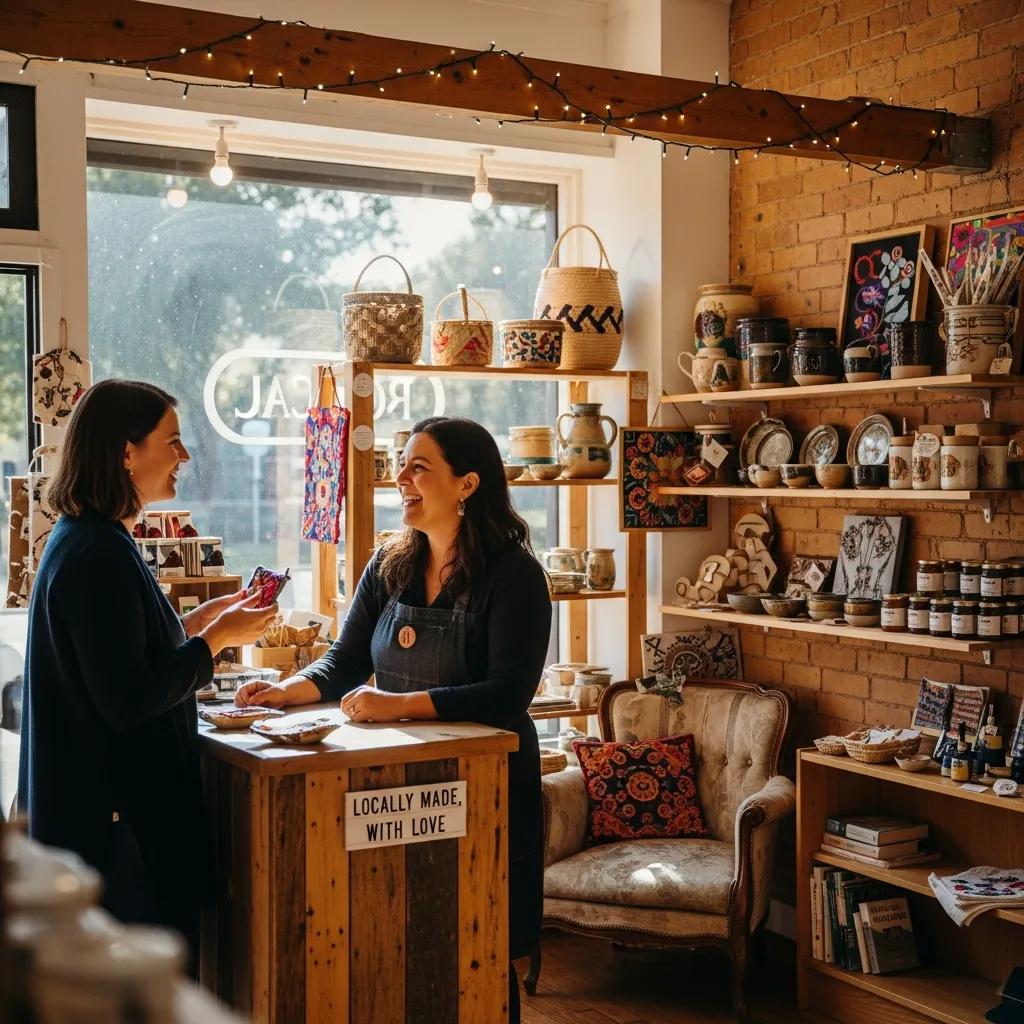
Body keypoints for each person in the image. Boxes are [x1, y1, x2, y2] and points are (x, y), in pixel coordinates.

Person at [236, 416, 551, 1021]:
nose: (400, 478)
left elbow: (509, 694)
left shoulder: (514, 576)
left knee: (479, 938)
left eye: (418, 467)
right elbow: (345, 661)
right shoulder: (389, 564)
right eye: (402, 466)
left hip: (486, 786)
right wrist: (285, 691)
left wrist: (399, 705)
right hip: (400, 777)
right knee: (400, 932)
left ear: (466, 484)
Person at [19, 379, 277, 965]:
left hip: (99, 826)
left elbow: (115, 656)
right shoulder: (98, 553)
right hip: (119, 836)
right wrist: (212, 643)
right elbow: (126, 697)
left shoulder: (86, 540)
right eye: (173, 441)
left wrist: (191, 624)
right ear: (126, 452)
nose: (184, 456)